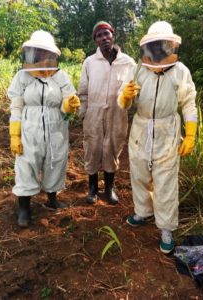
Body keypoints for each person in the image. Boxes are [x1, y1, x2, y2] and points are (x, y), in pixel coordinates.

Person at [118, 21, 197, 254]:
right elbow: (124, 102)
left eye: (164, 45)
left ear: (170, 46)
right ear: (148, 47)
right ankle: (143, 211)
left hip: (167, 129)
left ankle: (166, 228)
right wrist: (125, 97)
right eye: (156, 45)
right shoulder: (138, 69)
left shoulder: (180, 71)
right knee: (139, 172)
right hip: (141, 128)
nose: (159, 50)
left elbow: (189, 103)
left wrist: (191, 133)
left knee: (165, 181)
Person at [8, 30, 80, 228]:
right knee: (26, 165)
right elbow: (16, 107)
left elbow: (66, 106)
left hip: (56, 128)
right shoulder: (22, 77)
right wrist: (15, 135)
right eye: (36, 53)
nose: (39, 58)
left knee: (55, 161)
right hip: (29, 129)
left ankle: (52, 198)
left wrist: (69, 105)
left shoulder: (61, 77)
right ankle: (24, 207)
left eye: (42, 54)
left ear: (51, 56)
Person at [78, 21, 136, 205]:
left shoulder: (127, 62)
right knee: (93, 149)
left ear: (113, 35)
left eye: (106, 34)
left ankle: (109, 188)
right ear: (95, 40)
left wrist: (128, 99)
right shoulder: (90, 62)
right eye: (99, 36)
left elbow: (133, 89)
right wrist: (83, 114)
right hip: (93, 114)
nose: (104, 38)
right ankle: (93, 189)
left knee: (112, 149)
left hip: (117, 114)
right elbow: (83, 91)